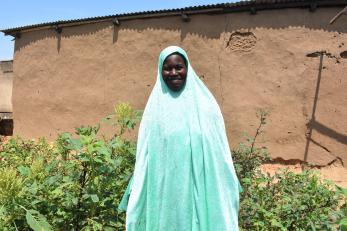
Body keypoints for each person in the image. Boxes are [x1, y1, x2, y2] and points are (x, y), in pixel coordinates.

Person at [118, 46, 240, 231]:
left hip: (200, 190)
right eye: (167, 68)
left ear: (187, 68)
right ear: (160, 70)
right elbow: (144, 157)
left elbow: (219, 152)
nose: (173, 73)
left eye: (179, 67)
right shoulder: (155, 111)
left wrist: (228, 179)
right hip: (165, 193)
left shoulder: (206, 106)